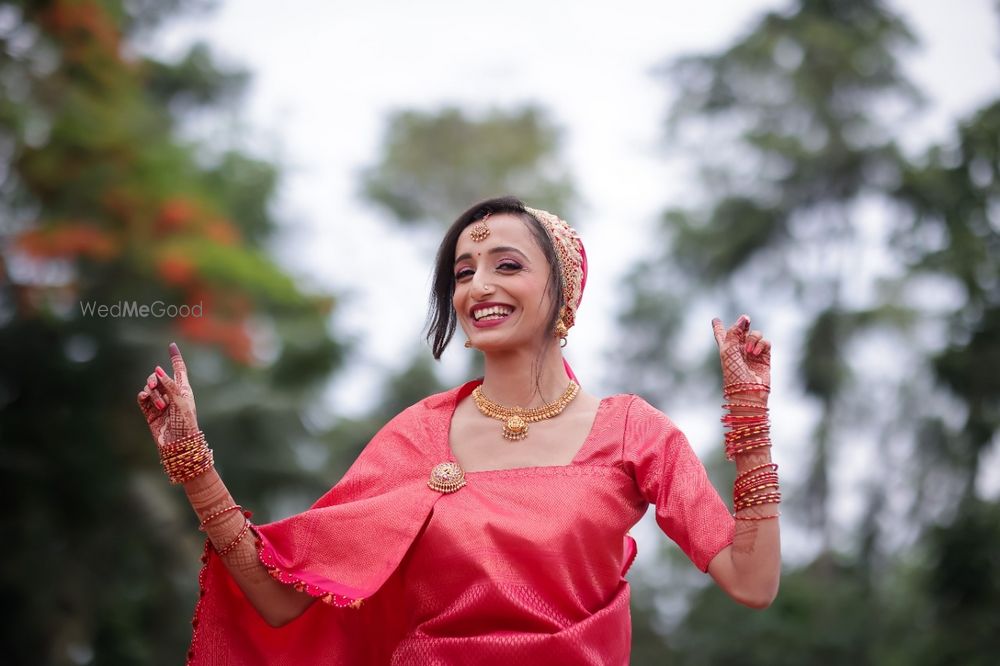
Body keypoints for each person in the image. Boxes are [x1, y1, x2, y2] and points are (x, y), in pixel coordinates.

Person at [137, 195, 780, 665]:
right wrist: (192, 463)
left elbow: (751, 581)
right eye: (464, 272)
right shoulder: (419, 435)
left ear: (566, 290)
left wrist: (749, 419)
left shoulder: (633, 433)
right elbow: (280, 599)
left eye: (507, 265)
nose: (478, 285)